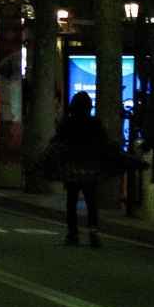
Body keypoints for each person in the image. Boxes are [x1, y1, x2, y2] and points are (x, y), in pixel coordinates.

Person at [53, 91, 114, 247]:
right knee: (91, 201)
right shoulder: (95, 123)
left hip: (72, 168)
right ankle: (93, 232)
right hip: (90, 168)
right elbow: (104, 143)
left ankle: (73, 233)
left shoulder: (67, 123)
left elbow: (58, 142)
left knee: (72, 201)